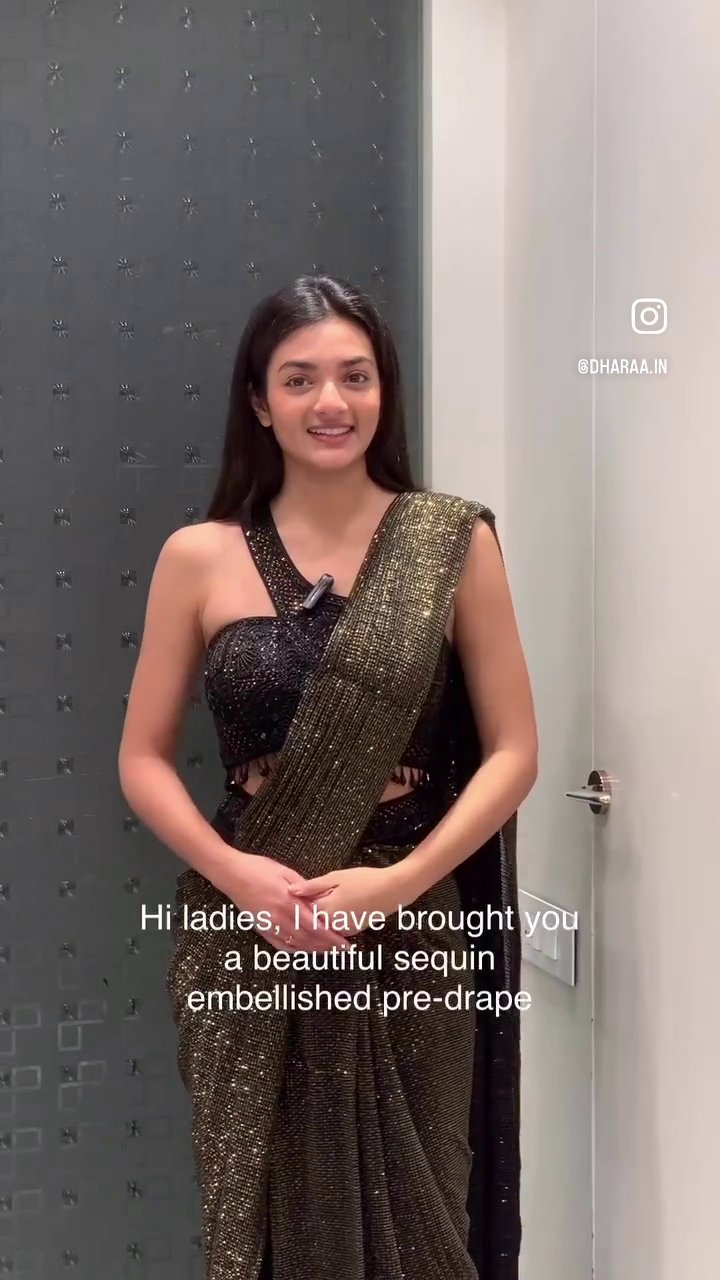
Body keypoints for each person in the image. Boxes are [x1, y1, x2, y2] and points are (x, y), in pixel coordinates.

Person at [117, 274, 538, 1280]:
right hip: (249, 926)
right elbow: (141, 758)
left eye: (355, 375)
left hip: (411, 924)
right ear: (259, 402)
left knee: (423, 1206)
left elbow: (515, 750)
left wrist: (398, 884)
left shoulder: (451, 543)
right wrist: (238, 877)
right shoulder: (199, 557)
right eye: (299, 379)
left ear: (384, 390)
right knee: (265, 1211)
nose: (331, 402)